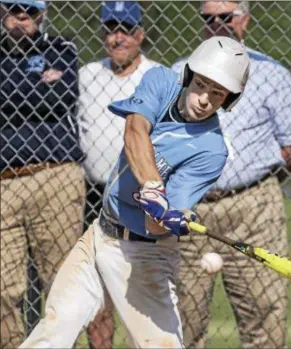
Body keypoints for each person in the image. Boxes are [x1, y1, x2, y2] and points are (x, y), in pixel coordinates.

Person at [19, 36, 250, 349]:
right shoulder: (161, 81)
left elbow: (157, 227)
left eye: (217, 93)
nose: (205, 99)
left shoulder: (211, 150)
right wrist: (153, 186)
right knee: (53, 332)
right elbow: (135, 130)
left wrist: (168, 218)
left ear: (229, 99)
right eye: (201, 85)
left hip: (145, 256)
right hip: (100, 234)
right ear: (188, 77)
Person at [172, 1, 291, 348]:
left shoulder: (271, 72)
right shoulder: (178, 72)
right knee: (182, 321)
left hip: (253, 207)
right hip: (190, 208)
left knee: (264, 317)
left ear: (244, 21)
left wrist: (254, 171)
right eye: (209, 18)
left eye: (226, 16)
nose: (217, 23)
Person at [0, 1, 86, 348]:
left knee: (62, 287)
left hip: (55, 177)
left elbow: (62, 95)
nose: (21, 20)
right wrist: (37, 85)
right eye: (13, 11)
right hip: (4, 183)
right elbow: (41, 97)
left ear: (41, 16)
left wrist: (12, 88)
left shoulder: (61, 47)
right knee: (3, 292)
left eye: (29, 13)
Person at [77, 1, 159, 347]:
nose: (118, 38)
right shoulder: (86, 75)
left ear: (140, 35)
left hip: (141, 197)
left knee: (143, 294)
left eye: (126, 29)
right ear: (102, 34)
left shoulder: (157, 76)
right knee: (97, 295)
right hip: (93, 194)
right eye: (111, 29)